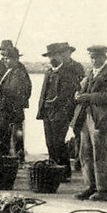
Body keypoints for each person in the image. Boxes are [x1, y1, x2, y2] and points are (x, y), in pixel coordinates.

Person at [73, 45, 107, 201]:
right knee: (84, 153)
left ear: (104, 58)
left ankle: (103, 190)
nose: (94, 60)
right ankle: (90, 186)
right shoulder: (90, 74)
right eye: (92, 57)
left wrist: (86, 97)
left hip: (101, 120)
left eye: (97, 57)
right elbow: (84, 91)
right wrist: (79, 94)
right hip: (87, 118)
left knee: (99, 154)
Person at [37, 43, 79, 173]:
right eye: (49, 56)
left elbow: (68, 96)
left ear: (61, 56)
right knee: (49, 143)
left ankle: (65, 171)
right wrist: (41, 110)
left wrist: (66, 113)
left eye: (54, 55)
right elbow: (43, 93)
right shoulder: (48, 72)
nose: (52, 59)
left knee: (59, 142)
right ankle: (53, 170)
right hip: (47, 113)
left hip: (60, 114)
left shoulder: (68, 73)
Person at [0, 41, 32, 159]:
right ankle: (4, 157)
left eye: (8, 55)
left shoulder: (20, 70)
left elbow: (25, 89)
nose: (5, 58)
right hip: (1, 105)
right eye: (3, 53)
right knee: (2, 132)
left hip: (15, 107)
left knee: (17, 134)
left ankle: (18, 156)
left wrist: (2, 89)